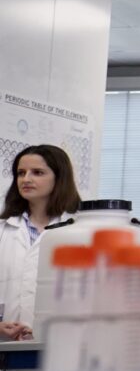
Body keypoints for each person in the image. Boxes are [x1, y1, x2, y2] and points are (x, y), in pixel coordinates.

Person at [0, 144, 82, 339]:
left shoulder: (79, 230)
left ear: (59, 178)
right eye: (21, 173)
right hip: (4, 346)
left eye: (37, 172)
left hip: (59, 343)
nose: (26, 179)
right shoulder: (3, 229)